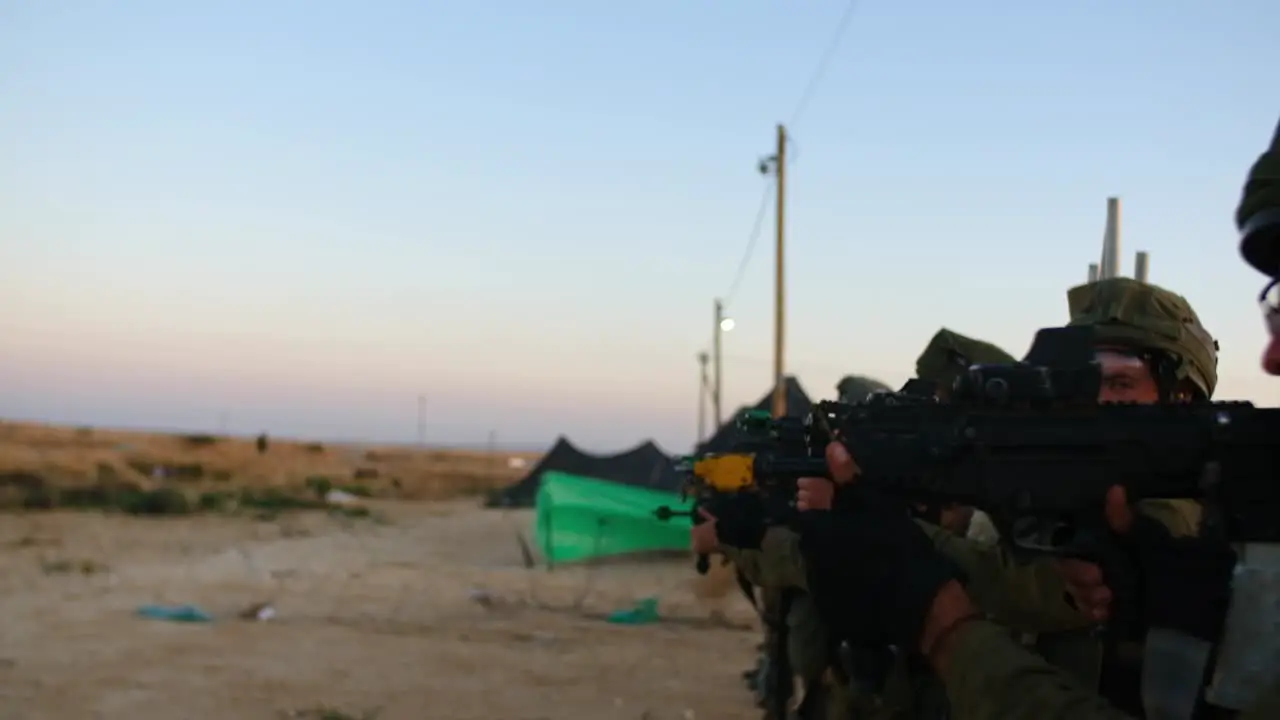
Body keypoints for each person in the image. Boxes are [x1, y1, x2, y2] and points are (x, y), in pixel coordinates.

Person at [792, 127, 1280, 718]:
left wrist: (916, 573)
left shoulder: (1191, 519)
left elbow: (1028, 594)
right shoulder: (1139, 536)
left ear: (1184, 399)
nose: (1093, 402)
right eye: (1082, 378)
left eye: (1121, 382)